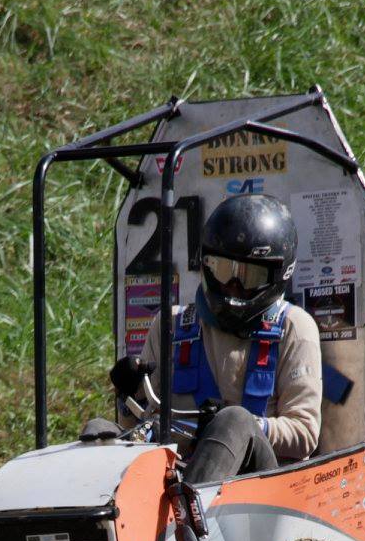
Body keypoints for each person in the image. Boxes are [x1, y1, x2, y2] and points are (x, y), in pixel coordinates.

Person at [111, 193, 322, 484]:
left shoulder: (295, 327)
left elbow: (305, 433)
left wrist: (239, 426)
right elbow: (139, 430)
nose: (233, 287)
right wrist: (128, 397)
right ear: (207, 265)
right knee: (99, 433)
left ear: (278, 274)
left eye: (249, 276)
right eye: (224, 270)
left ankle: (188, 518)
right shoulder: (170, 324)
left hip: (263, 487)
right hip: (177, 475)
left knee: (234, 421)